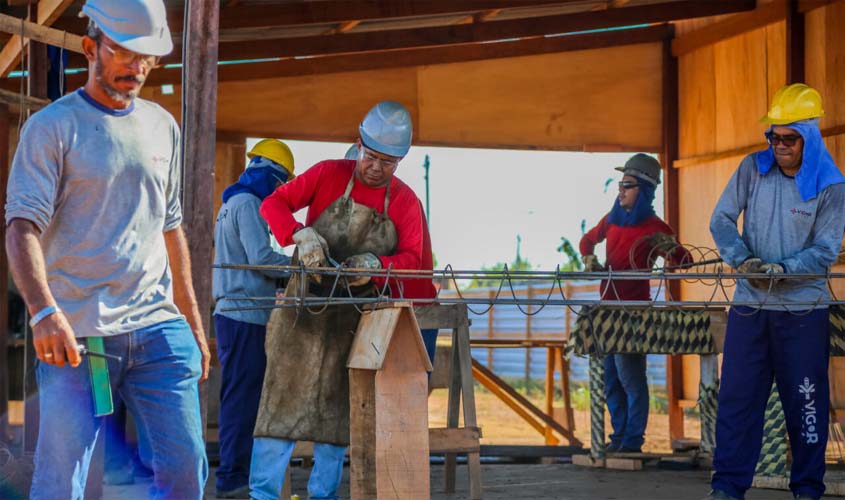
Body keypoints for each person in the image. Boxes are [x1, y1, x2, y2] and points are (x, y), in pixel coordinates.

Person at [4, 1, 209, 498]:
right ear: (91, 48)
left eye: (147, 56)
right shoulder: (52, 128)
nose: (136, 66)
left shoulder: (163, 127)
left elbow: (170, 228)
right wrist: (43, 313)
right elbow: (21, 228)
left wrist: (193, 323)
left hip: (158, 329)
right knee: (63, 478)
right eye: (124, 52)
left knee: (186, 470)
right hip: (82, 337)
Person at [248, 101, 436, 500]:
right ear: (358, 144)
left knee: (336, 416)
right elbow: (273, 203)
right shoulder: (327, 173)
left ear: (400, 161)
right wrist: (298, 234)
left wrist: (377, 264)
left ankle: (324, 495)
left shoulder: (404, 202)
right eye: (370, 157)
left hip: (353, 322)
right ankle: (262, 494)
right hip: (301, 317)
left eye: (388, 162)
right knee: (278, 407)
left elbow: (414, 262)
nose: (375, 168)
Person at [705, 84, 845, 500]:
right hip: (750, 305)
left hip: (803, 311)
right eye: (773, 136)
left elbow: (825, 249)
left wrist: (785, 271)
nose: (778, 145)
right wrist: (743, 260)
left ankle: (807, 489)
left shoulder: (831, 186)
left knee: (805, 404)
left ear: (810, 137)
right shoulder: (752, 168)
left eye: (788, 138)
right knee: (736, 399)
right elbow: (722, 219)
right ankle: (727, 487)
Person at [579, 153, 691, 453]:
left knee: (630, 379)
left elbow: (685, 262)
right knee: (611, 380)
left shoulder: (656, 228)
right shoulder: (612, 220)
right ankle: (619, 437)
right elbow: (587, 240)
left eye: (627, 186)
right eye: (620, 185)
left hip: (634, 314)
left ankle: (631, 441)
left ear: (643, 189)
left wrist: (672, 251)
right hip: (608, 311)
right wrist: (590, 258)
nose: (620, 191)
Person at [212, 139, 295, 498]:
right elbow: (260, 257)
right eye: (280, 184)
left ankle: (235, 474)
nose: (279, 191)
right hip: (244, 316)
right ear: (271, 176)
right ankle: (232, 478)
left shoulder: (232, 203)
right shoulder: (247, 204)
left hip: (239, 314)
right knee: (242, 400)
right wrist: (299, 268)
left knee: (239, 396)